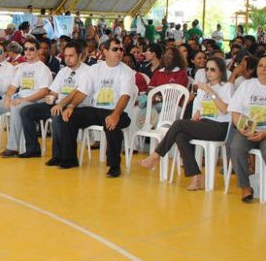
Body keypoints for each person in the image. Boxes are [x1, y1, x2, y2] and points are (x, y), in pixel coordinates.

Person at [138, 57, 232, 190]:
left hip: (218, 126)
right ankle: (196, 176)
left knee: (178, 124)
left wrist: (211, 92)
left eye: (213, 69)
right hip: (203, 124)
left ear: (221, 72)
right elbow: (197, 113)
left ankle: (155, 156)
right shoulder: (202, 89)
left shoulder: (227, 87)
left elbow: (224, 110)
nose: (209, 72)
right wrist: (193, 121)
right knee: (180, 135)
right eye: (207, 69)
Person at [64, 38, 137, 177]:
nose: (119, 52)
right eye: (115, 49)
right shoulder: (95, 69)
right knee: (70, 116)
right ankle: (70, 158)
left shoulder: (127, 72)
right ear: (105, 51)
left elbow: (125, 96)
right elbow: (83, 92)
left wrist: (115, 114)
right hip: (96, 110)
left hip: (119, 112)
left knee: (112, 124)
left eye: (121, 49)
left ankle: (114, 166)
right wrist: (71, 106)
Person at [0, 38, 52, 154]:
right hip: (17, 99)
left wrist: (23, 99)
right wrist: (8, 97)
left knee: (16, 108)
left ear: (38, 51)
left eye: (31, 49)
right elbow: (13, 87)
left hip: (34, 101)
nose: (28, 52)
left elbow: (44, 92)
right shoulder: (22, 67)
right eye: (26, 49)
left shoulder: (43, 69)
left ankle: (12, 147)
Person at [18, 41, 92, 158]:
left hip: (77, 106)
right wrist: (50, 97)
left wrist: (61, 104)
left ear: (80, 55)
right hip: (58, 104)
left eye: (71, 56)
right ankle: (33, 148)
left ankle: (58, 156)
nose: (67, 59)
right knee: (26, 111)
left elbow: (78, 92)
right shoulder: (63, 71)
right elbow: (53, 91)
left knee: (56, 114)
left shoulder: (88, 71)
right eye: (65, 56)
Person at [228, 56, 266, 202]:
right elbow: (235, 111)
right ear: (256, 69)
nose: (264, 69)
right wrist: (241, 128)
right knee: (236, 148)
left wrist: (263, 134)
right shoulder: (247, 85)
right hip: (247, 129)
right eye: (261, 65)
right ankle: (245, 187)